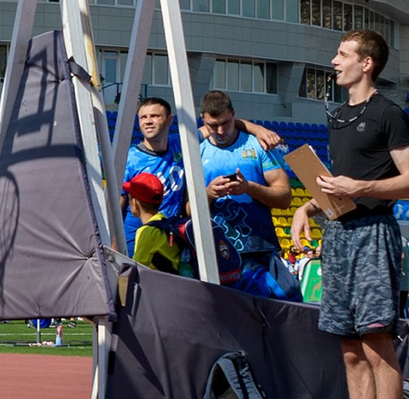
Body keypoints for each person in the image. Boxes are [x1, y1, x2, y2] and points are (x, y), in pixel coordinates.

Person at [305, 30, 409, 399]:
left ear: (367, 63)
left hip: (374, 236)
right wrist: (308, 205)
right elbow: (340, 183)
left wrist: (359, 187)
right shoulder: (338, 116)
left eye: (342, 54)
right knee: (349, 348)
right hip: (338, 234)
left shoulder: (388, 113)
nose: (334, 61)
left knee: (376, 344)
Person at [195, 92, 293, 297]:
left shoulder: (258, 146)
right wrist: (209, 193)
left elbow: (284, 198)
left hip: (257, 250)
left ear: (234, 115)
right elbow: (186, 208)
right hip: (211, 253)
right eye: (213, 125)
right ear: (202, 119)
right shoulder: (195, 150)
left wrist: (249, 188)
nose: (220, 130)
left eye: (226, 123)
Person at [120, 95, 189, 269]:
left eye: (155, 116)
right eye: (143, 117)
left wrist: (256, 129)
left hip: (171, 241)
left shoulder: (181, 144)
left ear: (169, 120)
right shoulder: (129, 159)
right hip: (135, 241)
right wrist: (113, 244)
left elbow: (214, 125)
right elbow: (116, 206)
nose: (148, 121)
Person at [124, 172, 180, 274]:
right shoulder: (165, 222)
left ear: (134, 203)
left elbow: (137, 268)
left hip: (161, 286)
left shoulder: (146, 232)